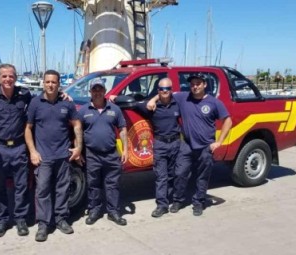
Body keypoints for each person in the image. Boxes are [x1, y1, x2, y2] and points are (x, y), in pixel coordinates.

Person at [147, 73, 232, 216]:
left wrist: (219, 142)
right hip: (186, 145)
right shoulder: (183, 97)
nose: (195, 86)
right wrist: (153, 99)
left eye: (198, 83)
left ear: (205, 84)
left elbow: (228, 121)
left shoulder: (214, 102)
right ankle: (178, 200)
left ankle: (199, 202)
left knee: (202, 176)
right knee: (179, 173)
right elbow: (166, 92)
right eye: (192, 84)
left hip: (206, 146)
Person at [24, 69, 83, 242]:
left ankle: (61, 219)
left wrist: (78, 147)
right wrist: (33, 151)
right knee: (42, 191)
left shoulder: (67, 103)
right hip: (43, 157)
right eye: (48, 82)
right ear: (43, 83)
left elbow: (77, 125)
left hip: (63, 155)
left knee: (62, 189)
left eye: (54, 82)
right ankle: (43, 224)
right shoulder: (35, 103)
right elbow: (28, 129)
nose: (50, 85)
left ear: (59, 84)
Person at [0, 64, 32, 238]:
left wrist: (64, 96)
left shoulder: (24, 94)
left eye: (11, 76)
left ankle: (20, 219)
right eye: (4, 76)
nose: (8, 79)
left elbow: (41, 103)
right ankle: (2, 220)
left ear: (16, 78)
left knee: (21, 186)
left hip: (19, 147)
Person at [79, 78, 128, 226]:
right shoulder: (83, 110)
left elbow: (123, 129)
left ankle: (113, 212)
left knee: (112, 184)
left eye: (100, 89)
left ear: (105, 91)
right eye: (94, 89)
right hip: (92, 154)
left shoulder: (114, 109)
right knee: (93, 184)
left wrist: (125, 149)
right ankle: (94, 210)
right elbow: (78, 131)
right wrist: (79, 151)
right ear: (90, 92)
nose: (97, 92)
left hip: (111, 153)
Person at [134, 78, 182, 218]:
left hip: (175, 143)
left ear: (171, 90)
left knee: (173, 174)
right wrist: (114, 97)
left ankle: (173, 200)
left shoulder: (177, 103)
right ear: (158, 91)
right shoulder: (151, 107)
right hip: (160, 144)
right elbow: (134, 104)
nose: (164, 91)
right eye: (161, 89)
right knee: (161, 176)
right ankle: (162, 205)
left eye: (167, 89)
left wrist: (155, 97)